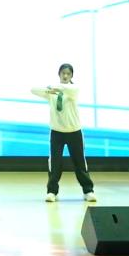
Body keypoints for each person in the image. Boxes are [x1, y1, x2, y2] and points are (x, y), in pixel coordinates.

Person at [31, 63, 96, 202]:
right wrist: (49, 90)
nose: (65, 76)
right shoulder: (53, 92)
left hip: (74, 131)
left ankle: (88, 190)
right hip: (57, 132)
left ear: (72, 76)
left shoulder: (73, 89)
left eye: (68, 74)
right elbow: (33, 90)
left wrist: (55, 88)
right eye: (63, 73)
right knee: (55, 163)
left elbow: (66, 88)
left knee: (79, 162)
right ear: (59, 74)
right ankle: (52, 191)